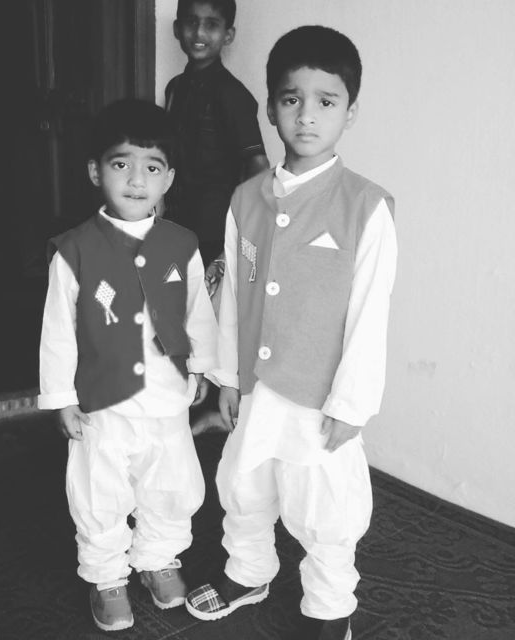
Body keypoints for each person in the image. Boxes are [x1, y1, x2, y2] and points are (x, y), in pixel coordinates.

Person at [184, 26, 398, 640]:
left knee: (324, 506)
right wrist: (227, 377)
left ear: (349, 111)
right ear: (271, 107)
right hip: (255, 387)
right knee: (243, 484)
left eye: (326, 101)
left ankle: (330, 608)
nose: (307, 115)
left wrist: (352, 403)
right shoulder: (245, 199)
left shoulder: (366, 206)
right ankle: (248, 572)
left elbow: (370, 313)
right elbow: (232, 297)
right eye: (291, 99)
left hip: (319, 395)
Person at [37, 99, 218, 632]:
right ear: (96, 171)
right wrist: (61, 398)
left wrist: (201, 367)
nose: (137, 180)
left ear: (169, 179)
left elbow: (198, 312)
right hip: (103, 399)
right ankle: (106, 574)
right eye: (121, 164)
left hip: (166, 394)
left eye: (152, 167)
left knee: (170, 481)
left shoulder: (182, 244)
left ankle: (159, 557)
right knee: (101, 488)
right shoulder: (73, 251)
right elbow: (57, 332)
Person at [167, 0, 269, 433]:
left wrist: (246, 232)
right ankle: (176, 405)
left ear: (228, 35)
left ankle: (210, 410)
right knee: (177, 313)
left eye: (211, 25)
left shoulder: (233, 95)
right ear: (177, 29)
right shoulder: (175, 88)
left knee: (212, 317)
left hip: (215, 228)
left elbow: (258, 168)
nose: (199, 33)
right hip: (176, 224)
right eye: (191, 23)